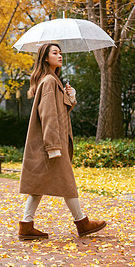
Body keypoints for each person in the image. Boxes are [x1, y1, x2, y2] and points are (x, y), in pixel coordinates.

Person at [18, 43, 106, 240]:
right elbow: (48, 115)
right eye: (55, 53)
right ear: (46, 58)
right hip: (52, 144)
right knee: (67, 182)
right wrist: (53, 146)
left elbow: (58, 113)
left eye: (60, 53)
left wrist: (70, 98)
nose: (59, 56)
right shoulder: (49, 81)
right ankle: (82, 222)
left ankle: (26, 224)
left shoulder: (52, 80)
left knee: (39, 185)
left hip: (53, 142)